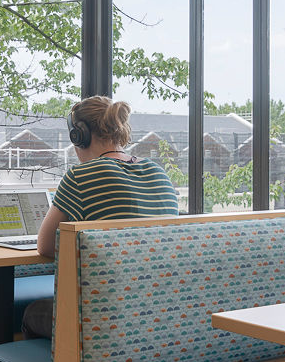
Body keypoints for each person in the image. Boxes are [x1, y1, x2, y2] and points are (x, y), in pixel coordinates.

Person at [22, 95, 179, 339]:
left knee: (32, 312)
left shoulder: (80, 176)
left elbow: (44, 246)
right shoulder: (159, 173)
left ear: (79, 136)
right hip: (160, 308)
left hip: (106, 313)